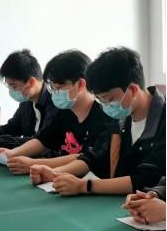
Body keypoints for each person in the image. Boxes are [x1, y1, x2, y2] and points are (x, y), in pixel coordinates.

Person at [31, 47, 166, 197]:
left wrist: (85, 186)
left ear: (133, 90)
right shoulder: (122, 117)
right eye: (100, 100)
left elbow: (148, 179)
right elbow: (93, 156)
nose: (105, 106)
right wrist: (55, 173)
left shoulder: (161, 120)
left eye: (108, 99)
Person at [0, 50, 112, 175]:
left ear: (80, 85)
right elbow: (43, 141)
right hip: (62, 177)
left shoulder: (104, 116)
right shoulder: (65, 112)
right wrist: (13, 153)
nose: (54, 93)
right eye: (52, 87)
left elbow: (86, 158)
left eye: (58, 88)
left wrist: (35, 164)